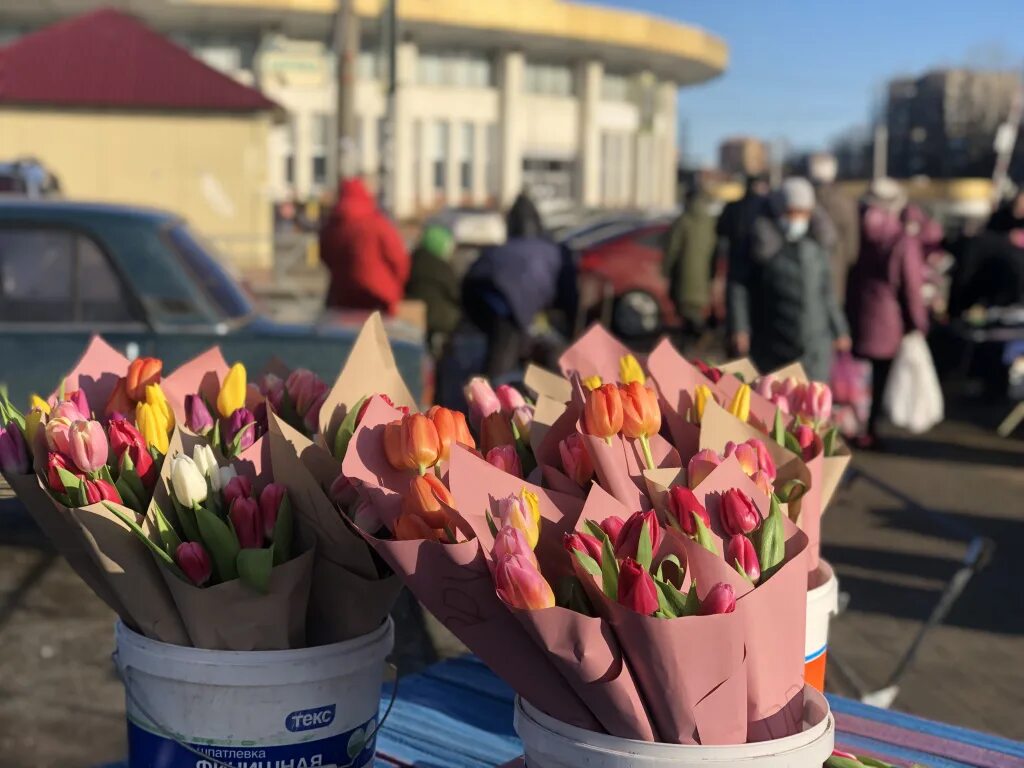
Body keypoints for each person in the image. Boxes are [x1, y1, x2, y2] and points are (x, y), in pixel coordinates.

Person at [727, 177, 850, 382]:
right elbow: (739, 286)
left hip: (815, 345)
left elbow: (827, 291)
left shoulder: (818, 244)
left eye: (803, 213)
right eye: (792, 212)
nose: (797, 219)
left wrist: (840, 329)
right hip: (772, 342)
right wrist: (740, 328)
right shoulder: (759, 243)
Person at [846, 178, 930, 447]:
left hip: (856, 312)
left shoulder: (853, 232)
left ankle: (854, 426)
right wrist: (918, 322)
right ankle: (872, 430)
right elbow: (911, 287)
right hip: (887, 320)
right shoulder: (900, 239)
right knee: (881, 380)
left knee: (857, 379)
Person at [462, 201, 577, 379]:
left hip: (479, 293)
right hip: (507, 303)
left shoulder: (505, 248)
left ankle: (488, 386)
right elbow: (567, 292)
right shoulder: (554, 251)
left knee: (501, 343)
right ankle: (488, 394)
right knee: (502, 351)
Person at [319, 177, 410, 313]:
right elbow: (399, 260)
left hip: (342, 296)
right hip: (377, 295)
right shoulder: (377, 224)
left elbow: (325, 256)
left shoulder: (332, 227)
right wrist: (397, 285)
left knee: (344, 333)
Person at [716, 173, 770, 341]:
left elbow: (720, 232)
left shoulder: (733, 208)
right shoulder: (769, 208)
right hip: (764, 275)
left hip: (736, 268)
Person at [663, 185, 716, 346]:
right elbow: (715, 249)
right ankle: (693, 340)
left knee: (686, 311)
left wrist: (666, 269)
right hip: (704, 275)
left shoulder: (683, 221)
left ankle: (699, 335)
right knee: (693, 310)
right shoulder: (710, 222)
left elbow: (673, 248)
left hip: (683, 275)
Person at [809, 153, 860, 304]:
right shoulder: (846, 202)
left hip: (806, 274)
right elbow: (852, 249)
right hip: (836, 271)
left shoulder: (805, 199)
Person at [405, 224, 462, 351]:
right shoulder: (443, 267)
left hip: (412, 315)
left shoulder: (410, 262)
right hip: (441, 318)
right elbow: (455, 293)